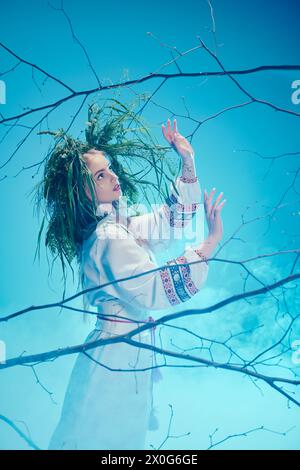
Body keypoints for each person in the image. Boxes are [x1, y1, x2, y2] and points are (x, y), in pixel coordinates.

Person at [37, 103, 225, 449]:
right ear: (82, 193)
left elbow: (166, 224)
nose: (113, 176)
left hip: (125, 351)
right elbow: (153, 289)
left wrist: (187, 161)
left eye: (109, 169)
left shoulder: (114, 227)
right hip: (113, 358)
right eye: (100, 176)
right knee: (97, 437)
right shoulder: (107, 238)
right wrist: (210, 243)